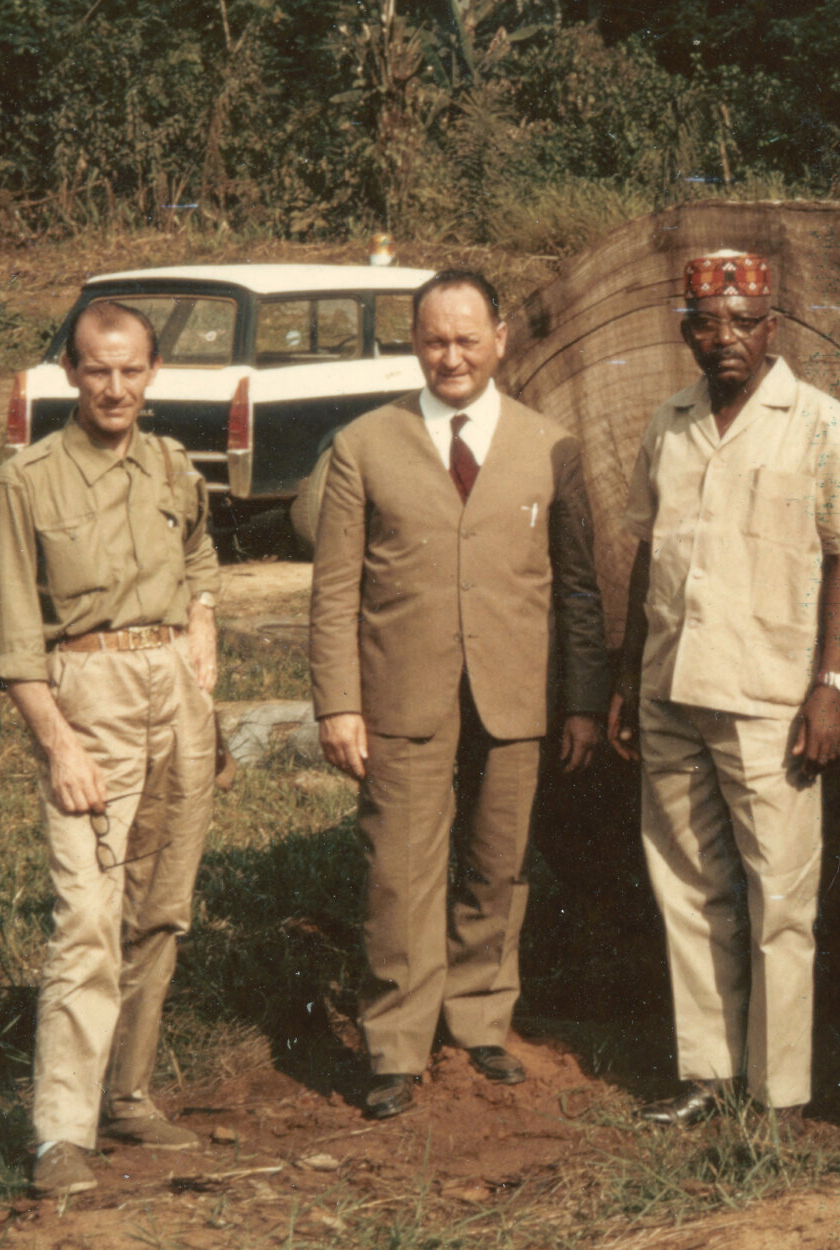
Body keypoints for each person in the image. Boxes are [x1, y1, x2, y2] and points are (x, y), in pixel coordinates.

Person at [308, 269, 610, 1120]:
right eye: (435, 340)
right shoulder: (365, 446)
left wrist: (581, 700)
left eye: (467, 339)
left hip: (516, 696)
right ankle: (396, 1046)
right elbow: (333, 591)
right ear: (415, 342)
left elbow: (578, 589)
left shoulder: (551, 447)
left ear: (500, 340)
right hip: (401, 694)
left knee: (498, 866)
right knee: (399, 872)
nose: (452, 356)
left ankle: (480, 1018)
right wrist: (338, 701)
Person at [608, 251, 840, 1128]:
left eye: (743, 321)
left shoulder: (819, 423)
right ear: (685, 331)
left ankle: (781, 1093)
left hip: (770, 695)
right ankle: (707, 1074)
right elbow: (648, 554)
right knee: (688, 887)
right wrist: (627, 676)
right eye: (705, 323)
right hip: (670, 691)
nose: (723, 338)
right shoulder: (670, 420)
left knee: (780, 900)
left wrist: (831, 685)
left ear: (774, 326)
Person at [0, 300, 221, 1197]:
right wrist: (59, 745)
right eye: (96, 369)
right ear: (70, 374)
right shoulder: (26, 482)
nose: (114, 387)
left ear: (151, 373)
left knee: (161, 907)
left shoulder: (170, 464)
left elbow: (199, 555)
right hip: (87, 703)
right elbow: (8, 640)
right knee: (86, 918)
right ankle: (58, 1138)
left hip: (174, 700)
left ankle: (127, 1094)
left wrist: (202, 631)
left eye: (130, 370)